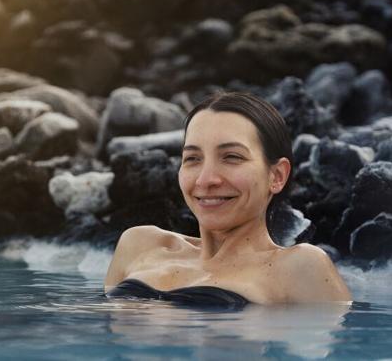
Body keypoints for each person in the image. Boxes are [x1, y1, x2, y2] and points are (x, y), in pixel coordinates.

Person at [104, 91, 351, 306]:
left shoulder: (300, 267)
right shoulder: (139, 244)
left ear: (276, 176)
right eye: (192, 158)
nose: (205, 180)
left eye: (232, 157)